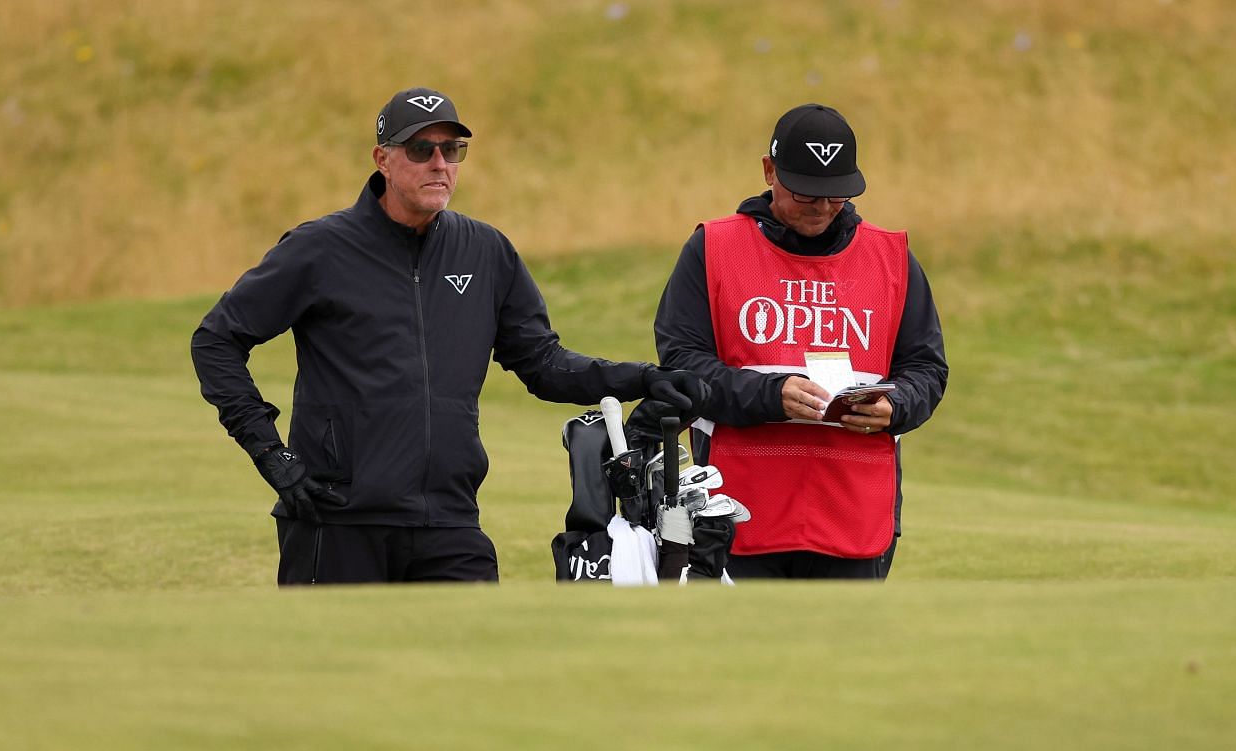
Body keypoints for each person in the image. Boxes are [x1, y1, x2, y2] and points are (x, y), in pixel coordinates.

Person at [192, 87, 708, 584]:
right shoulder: (320, 249)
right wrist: (269, 453)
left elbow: (543, 364)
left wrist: (643, 377)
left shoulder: (484, 251)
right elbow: (216, 340)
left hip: (450, 521)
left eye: (453, 149)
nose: (440, 163)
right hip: (338, 519)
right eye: (421, 149)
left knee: (476, 666)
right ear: (383, 158)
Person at [652, 103, 947, 580]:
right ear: (769, 171)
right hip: (736, 509)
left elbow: (927, 369)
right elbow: (681, 365)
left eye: (835, 195)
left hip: (854, 511)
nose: (823, 207)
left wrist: (898, 405)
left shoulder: (891, 257)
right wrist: (772, 395)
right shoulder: (713, 248)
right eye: (807, 193)